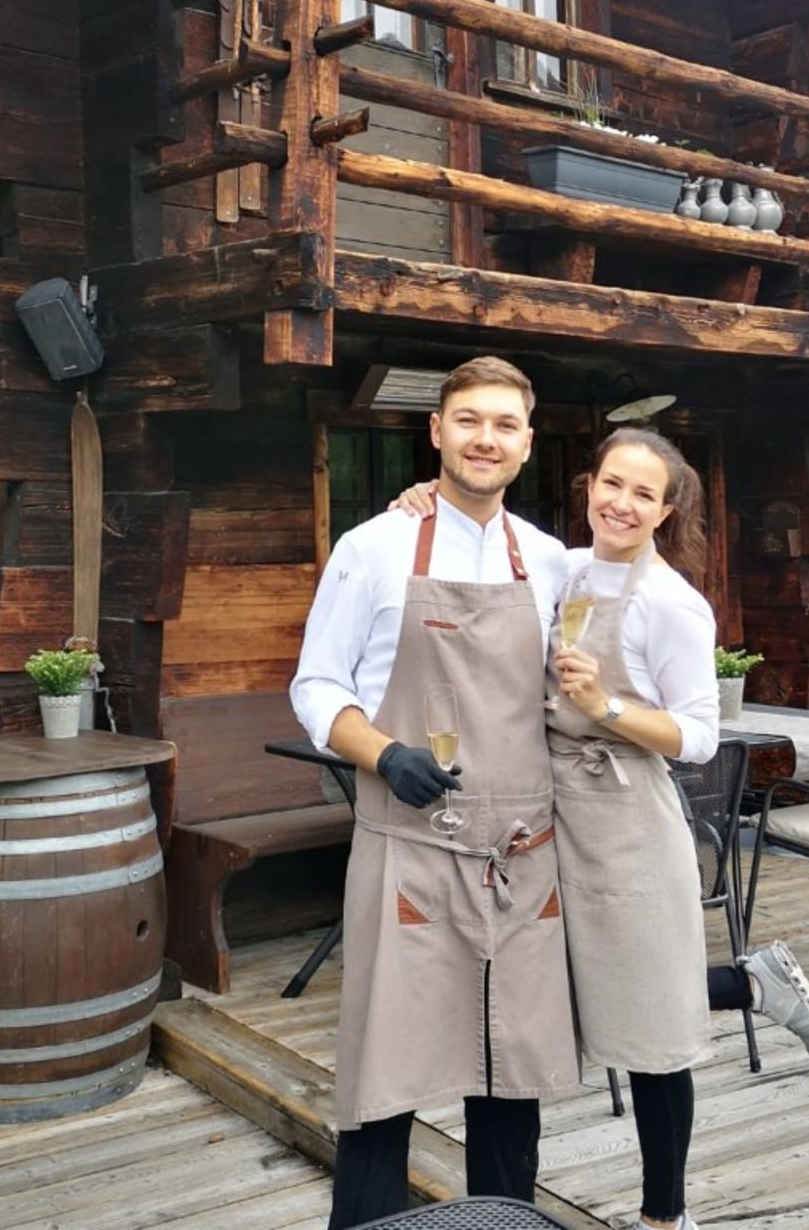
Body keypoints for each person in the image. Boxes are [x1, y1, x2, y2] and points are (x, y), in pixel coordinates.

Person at [397, 426, 809, 1230]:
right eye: (612, 485)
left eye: (643, 493)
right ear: (588, 485)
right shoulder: (559, 567)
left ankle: (667, 1218)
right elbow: (474, 556)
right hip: (536, 810)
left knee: (650, 1034)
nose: (622, 504)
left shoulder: (674, 604)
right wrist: (423, 504)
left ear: (667, 511)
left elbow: (698, 736)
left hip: (627, 819)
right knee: (527, 1003)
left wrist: (606, 708)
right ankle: (746, 986)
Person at [290, 356, 578, 1230]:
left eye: (503, 425)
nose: (484, 439)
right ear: (437, 432)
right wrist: (382, 754)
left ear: (527, 444)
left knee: (509, 1083)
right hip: (410, 854)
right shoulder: (371, 549)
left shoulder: (556, 562)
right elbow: (315, 688)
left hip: (522, 861)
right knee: (385, 1085)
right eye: (468, 421)